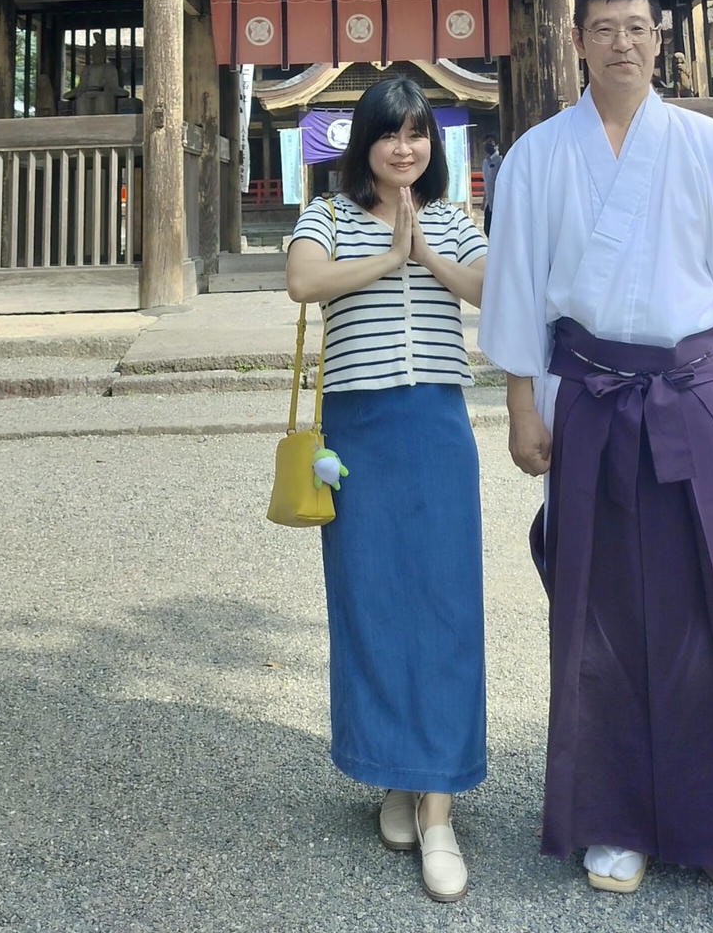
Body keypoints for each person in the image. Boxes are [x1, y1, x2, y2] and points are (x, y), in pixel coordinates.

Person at [478, 0, 713, 897]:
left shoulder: (704, 147)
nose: (622, 42)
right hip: (586, 394)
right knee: (597, 608)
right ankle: (611, 820)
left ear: (659, 39)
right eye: (603, 28)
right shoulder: (542, 156)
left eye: (637, 27)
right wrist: (519, 405)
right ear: (575, 43)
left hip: (691, 392)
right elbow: (514, 292)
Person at [286, 75, 488, 903]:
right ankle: (395, 776)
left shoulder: (451, 216)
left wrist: (426, 254)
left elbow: (489, 288)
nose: (404, 148)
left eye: (417, 135)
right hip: (359, 432)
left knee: (444, 605)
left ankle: (436, 809)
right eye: (389, 134)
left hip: (436, 427)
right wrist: (386, 260)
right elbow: (303, 284)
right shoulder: (326, 217)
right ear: (362, 142)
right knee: (373, 602)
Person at [480, 137, 502, 234]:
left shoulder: (501, 160)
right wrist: (484, 200)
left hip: (499, 202)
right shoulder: (485, 162)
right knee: (487, 229)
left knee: (497, 230)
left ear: (496, 146)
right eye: (486, 144)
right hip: (489, 202)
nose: (487, 147)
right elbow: (487, 183)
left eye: (490, 144)